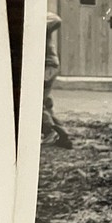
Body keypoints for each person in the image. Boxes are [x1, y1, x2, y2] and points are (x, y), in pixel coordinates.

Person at [42, 13, 72, 149]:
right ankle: (62, 135)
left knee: (35, 100)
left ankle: (50, 132)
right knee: (44, 101)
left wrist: (37, 24)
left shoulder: (38, 21)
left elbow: (56, 20)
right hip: (43, 66)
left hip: (48, 66)